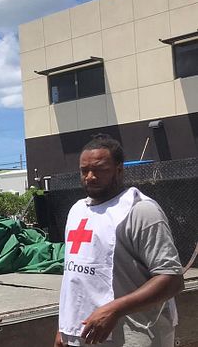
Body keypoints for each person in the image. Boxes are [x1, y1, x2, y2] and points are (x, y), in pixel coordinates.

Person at [55, 134, 184, 347]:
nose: (90, 177)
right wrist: (64, 329)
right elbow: (74, 278)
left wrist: (113, 309)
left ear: (119, 170)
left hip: (136, 332)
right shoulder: (77, 210)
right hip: (85, 333)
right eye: (84, 170)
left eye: (99, 170)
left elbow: (171, 279)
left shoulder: (140, 211)